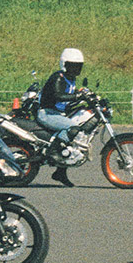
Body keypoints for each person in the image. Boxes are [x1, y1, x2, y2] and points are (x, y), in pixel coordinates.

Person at [36, 48, 90, 187]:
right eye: (72, 66)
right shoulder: (58, 77)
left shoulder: (71, 79)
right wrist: (77, 96)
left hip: (57, 113)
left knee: (71, 140)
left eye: (78, 66)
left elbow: (68, 98)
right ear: (64, 64)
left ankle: (60, 172)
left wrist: (84, 97)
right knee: (73, 128)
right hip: (47, 113)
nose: (75, 69)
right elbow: (57, 95)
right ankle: (53, 151)